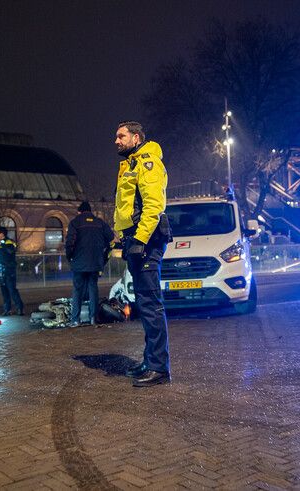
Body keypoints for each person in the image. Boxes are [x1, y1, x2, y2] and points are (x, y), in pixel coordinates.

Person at [113, 121, 173, 387]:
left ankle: (159, 368)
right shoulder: (131, 163)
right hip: (136, 239)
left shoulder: (147, 162)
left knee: (150, 303)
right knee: (144, 303)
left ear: (135, 137)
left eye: (121, 136)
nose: (116, 140)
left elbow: (153, 206)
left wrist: (139, 239)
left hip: (146, 239)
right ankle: (150, 361)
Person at [65, 201, 115, 326]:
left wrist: (69, 256)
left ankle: (76, 319)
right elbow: (111, 238)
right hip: (95, 262)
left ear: (80, 211)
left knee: (78, 290)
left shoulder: (75, 222)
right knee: (93, 288)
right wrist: (102, 254)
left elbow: (70, 242)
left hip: (79, 262)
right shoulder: (100, 223)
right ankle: (94, 318)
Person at [0, 226, 24, 316]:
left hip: (9, 270)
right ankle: (7, 309)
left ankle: (19, 308)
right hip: (0, 270)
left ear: (2, 234)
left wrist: (1, 247)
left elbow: (10, 252)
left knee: (12, 290)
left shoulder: (8, 242)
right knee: (4, 291)